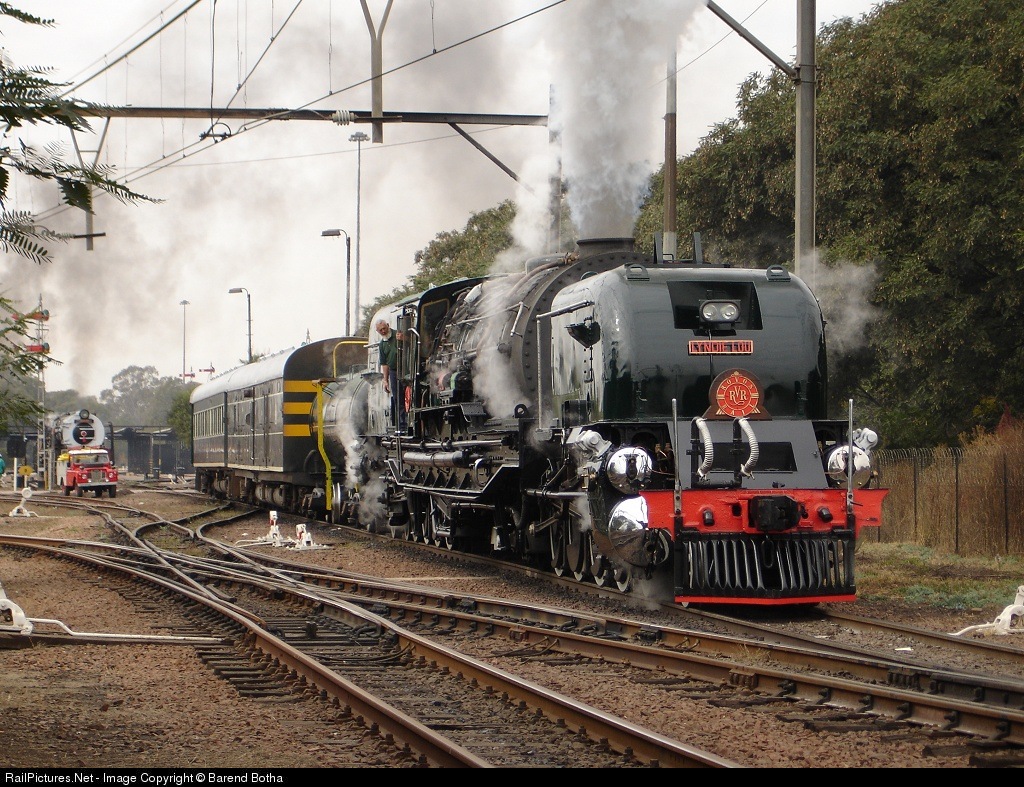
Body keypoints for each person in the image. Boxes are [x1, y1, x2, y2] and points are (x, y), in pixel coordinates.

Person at [376, 320, 405, 430]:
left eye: (384, 328)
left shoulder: (398, 334)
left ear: (388, 326)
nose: (383, 331)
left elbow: (412, 344)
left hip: (406, 368)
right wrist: (385, 379)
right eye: (380, 330)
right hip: (393, 371)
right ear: (377, 331)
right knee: (397, 397)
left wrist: (404, 339)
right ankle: (402, 424)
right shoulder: (382, 345)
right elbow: (384, 363)